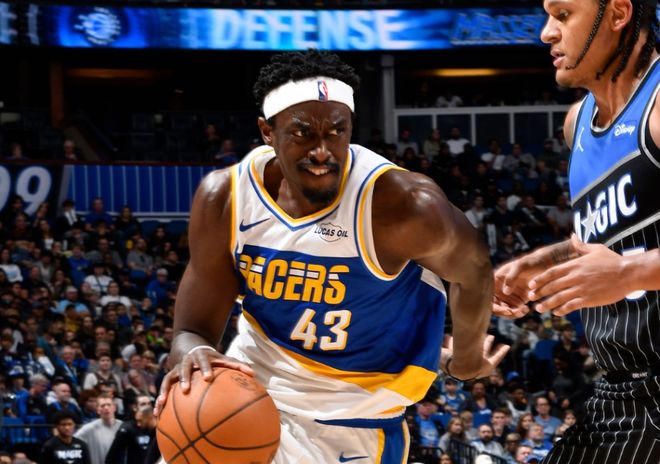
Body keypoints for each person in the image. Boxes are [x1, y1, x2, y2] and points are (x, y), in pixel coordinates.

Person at [154, 50, 508, 463]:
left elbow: (474, 270)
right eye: (302, 133)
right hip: (250, 396)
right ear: (267, 132)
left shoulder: (403, 205)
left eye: (337, 132)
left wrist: (465, 361)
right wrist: (191, 354)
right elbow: (191, 330)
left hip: (353, 421)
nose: (322, 150)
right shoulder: (226, 198)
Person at [495, 2, 660, 462]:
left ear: (619, 13)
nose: (547, 33)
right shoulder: (577, 124)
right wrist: (546, 260)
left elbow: (626, 263)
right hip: (621, 392)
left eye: (563, 15)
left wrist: (630, 273)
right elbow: (624, 237)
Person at [75, 393, 123, 464]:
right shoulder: (89, 429)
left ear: (114, 408)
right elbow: (73, 442)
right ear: (97, 410)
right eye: (102, 406)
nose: (106, 408)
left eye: (109, 405)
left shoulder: (123, 427)